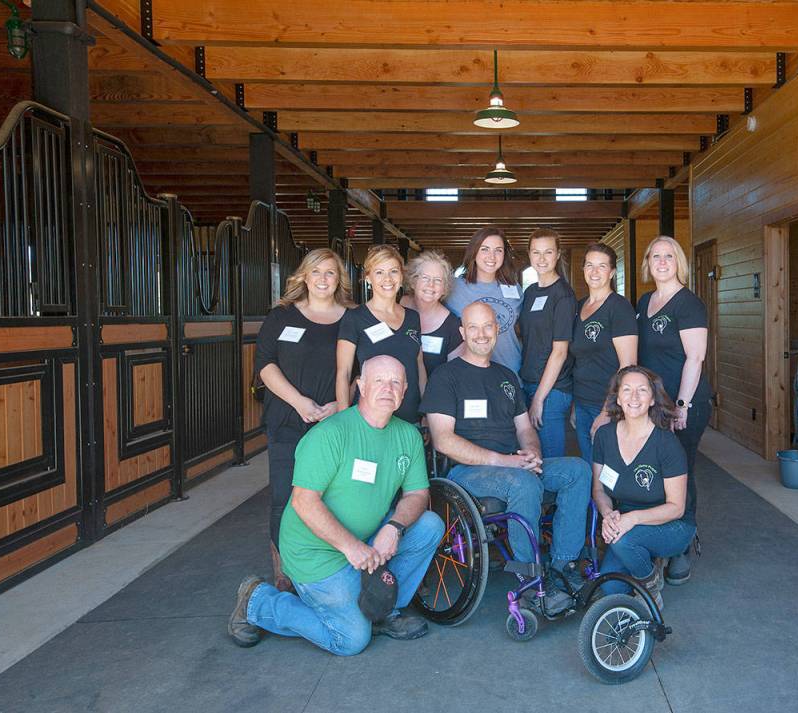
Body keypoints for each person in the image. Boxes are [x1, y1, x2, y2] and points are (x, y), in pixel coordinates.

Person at [228, 356, 445, 655]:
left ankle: (382, 610)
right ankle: (258, 601)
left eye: (395, 382)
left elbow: (418, 494)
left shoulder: (407, 435)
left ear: (405, 389)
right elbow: (304, 502)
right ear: (361, 386)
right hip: (317, 553)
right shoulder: (332, 434)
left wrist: (394, 528)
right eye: (379, 381)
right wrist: (351, 547)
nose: (387, 388)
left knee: (429, 525)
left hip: (365, 541)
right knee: (351, 639)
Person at [422, 302, 592, 615]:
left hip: (512, 466)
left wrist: (533, 453)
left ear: (497, 330)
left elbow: (525, 428)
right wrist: (507, 462)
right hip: (466, 473)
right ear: (462, 332)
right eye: (473, 327)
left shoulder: (506, 377)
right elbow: (443, 440)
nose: (481, 334)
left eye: (488, 326)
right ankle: (529, 580)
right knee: (523, 484)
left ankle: (562, 565)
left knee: (578, 470)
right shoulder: (446, 377)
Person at [254, 248, 349, 591]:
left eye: (331, 273)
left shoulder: (351, 317)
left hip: (337, 422)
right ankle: (284, 573)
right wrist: (299, 402)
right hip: (287, 420)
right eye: (317, 272)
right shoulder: (281, 317)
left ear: (339, 279)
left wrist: (341, 404)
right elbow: (265, 363)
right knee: (285, 497)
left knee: (334, 496)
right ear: (304, 277)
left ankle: (329, 565)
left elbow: (362, 367)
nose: (323, 279)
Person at [636, 235, 712, 585]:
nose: (662, 262)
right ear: (648, 262)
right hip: (650, 404)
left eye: (669, 256)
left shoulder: (688, 303)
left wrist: (681, 404)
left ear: (678, 261)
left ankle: (682, 542)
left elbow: (695, 358)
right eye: (656, 256)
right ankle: (657, 536)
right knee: (654, 470)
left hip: (683, 404)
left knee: (680, 472)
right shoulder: (645, 301)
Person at [592, 366, 694, 608]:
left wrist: (632, 519)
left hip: (671, 525)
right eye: (626, 390)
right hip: (626, 521)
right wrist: (609, 515)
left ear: (651, 399)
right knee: (611, 588)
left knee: (623, 541)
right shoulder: (605, 436)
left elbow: (676, 508)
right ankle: (647, 560)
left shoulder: (666, 444)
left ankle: (650, 585)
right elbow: (599, 489)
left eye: (641, 390)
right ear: (617, 398)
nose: (634, 397)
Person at [336, 244, 426, 423]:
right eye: (379, 272)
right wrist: (344, 420)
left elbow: (419, 366)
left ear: (401, 276)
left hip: (410, 417)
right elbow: (343, 373)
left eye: (393, 271)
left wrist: (426, 412)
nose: (388, 278)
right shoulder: (355, 318)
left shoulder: (413, 317)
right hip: (369, 421)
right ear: (368, 278)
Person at [570, 242, 638, 463]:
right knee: (590, 466)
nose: (594, 271)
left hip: (607, 404)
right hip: (581, 401)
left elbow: (628, 364)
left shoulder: (619, 307)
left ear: (612, 272)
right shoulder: (579, 306)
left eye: (601, 266)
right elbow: (578, 359)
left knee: (608, 468)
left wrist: (607, 410)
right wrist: (574, 405)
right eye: (589, 265)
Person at [517, 228, 576, 459]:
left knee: (550, 460)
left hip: (551, 390)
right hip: (529, 382)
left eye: (548, 252)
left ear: (558, 254)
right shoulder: (530, 292)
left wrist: (539, 399)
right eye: (536, 252)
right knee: (531, 455)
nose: (541, 259)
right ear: (530, 255)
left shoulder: (563, 295)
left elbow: (560, 352)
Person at [444, 226, 523, 377]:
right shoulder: (454, 288)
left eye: (498, 250)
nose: (491, 256)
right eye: (485, 249)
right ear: (474, 251)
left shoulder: (515, 289)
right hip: (471, 375)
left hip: (511, 371)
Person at [402, 250, 463, 375]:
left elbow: (455, 374)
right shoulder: (399, 306)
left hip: (434, 392)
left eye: (438, 280)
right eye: (425, 278)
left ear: (444, 288)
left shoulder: (452, 326)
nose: (431, 285)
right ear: (413, 281)